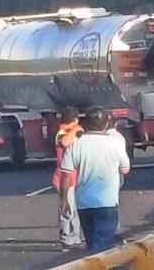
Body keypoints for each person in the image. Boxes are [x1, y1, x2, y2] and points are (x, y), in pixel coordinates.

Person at [60, 106, 130, 253]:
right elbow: (125, 169)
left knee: (92, 243)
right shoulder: (115, 143)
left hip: (83, 203)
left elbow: (66, 175)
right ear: (106, 124)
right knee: (103, 247)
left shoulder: (75, 145)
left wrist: (65, 201)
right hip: (107, 202)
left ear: (85, 123)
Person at [52, 106, 83, 249]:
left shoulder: (68, 132)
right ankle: (66, 236)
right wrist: (77, 130)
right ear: (75, 120)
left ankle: (75, 236)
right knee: (67, 207)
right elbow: (64, 142)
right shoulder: (61, 133)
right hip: (64, 178)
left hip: (72, 177)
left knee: (74, 208)